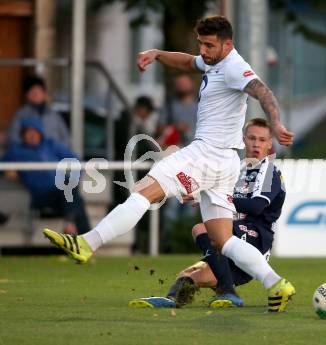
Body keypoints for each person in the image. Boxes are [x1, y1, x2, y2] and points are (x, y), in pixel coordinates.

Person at [43, 16, 295, 312]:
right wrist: (159, 55)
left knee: (144, 190)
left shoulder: (234, 67)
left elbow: (262, 91)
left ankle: (88, 242)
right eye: (201, 42)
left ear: (228, 44)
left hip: (206, 154)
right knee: (223, 240)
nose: (203, 49)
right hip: (225, 160)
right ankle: (276, 283)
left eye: (209, 44)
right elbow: (188, 62)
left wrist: (276, 124)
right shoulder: (212, 60)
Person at [128, 118, 287, 309]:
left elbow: (256, 207)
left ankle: (228, 291)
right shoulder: (237, 168)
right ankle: (172, 299)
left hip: (255, 240)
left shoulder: (269, 171)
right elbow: (214, 190)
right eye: (252, 138)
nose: (256, 144)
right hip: (230, 240)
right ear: (243, 139)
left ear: (270, 143)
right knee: (187, 277)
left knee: (201, 228)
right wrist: (198, 194)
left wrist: (215, 200)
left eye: (262, 140)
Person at [2, 117, 90, 234]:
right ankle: (80, 234)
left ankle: (71, 225)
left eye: (35, 132)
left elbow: (76, 162)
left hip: (60, 191)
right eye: (28, 132)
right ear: (23, 135)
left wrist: (76, 178)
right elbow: (2, 165)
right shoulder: (16, 151)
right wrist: (7, 170)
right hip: (40, 196)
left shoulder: (51, 145)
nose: (32, 135)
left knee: (75, 198)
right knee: (76, 200)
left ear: (40, 133)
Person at [8, 75, 70, 148]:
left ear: (44, 92)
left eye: (38, 90)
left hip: (54, 157)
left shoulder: (54, 115)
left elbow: (66, 139)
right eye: (32, 91)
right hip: (29, 157)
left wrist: (58, 152)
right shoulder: (20, 115)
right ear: (26, 95)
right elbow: (13, 139)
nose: (36, 94)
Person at [162, 74, 198, 146]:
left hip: (198, 149)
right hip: (176, 150)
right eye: (179, 83)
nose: (182, 85)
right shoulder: (169, 106)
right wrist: (175, 128)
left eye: (185, 83)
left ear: (192, 84)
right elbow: (160, 127)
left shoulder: (203, 105)